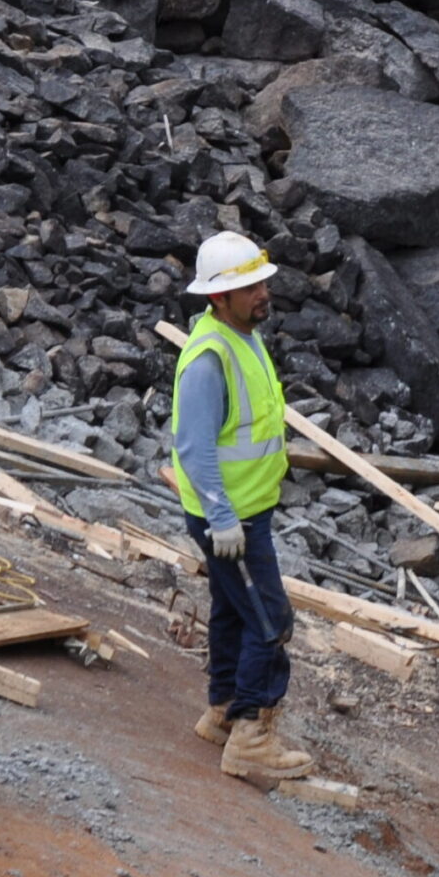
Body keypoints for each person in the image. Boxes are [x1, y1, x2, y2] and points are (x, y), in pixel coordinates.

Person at [167, 231, 312, 782]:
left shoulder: (241, 335)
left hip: (248, 510)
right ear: (217, 298)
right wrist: (222, 518)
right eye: (249, 287)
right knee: (270, 620)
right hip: (231, 518)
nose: (262, 294)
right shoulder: (208, 359)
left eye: (262, 283)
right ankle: (252, 734)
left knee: (233, 609)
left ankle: (223, 710)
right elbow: (193, 446)